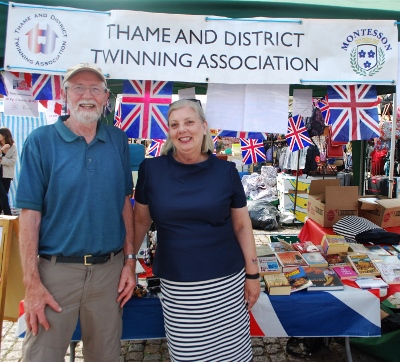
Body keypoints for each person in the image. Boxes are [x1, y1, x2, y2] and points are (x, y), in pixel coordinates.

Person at [16, 63, 135, 362]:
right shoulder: (41, 141)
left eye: (95, 88)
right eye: (78, 87)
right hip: (55, 273)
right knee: (42, 355)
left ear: (106, 97)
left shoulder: (118, 140)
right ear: (64, 94)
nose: (87, 95)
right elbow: (29, 216)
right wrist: (31, 283)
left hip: (109, 272)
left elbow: (124, 204)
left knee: (106, 355)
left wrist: (130, 262)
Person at [133, 98, 260, 362]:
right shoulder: (151, 170)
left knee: (232, 355)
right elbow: (140, 222)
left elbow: (241, 224)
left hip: (226, 283)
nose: (182, 130)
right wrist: (127, 262)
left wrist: (253, 274)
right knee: (188, 353)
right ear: (168, 131)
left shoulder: (226, 171)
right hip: (179, 285)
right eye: (174, 124)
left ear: (204, 127)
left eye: (189, 122)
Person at [0, 127, 17, 215]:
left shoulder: (13, 147)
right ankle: (8, 215)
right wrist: (2, 150)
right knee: (3, 196)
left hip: (7, 175)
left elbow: (13, 161)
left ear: (4, 135)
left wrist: (2, 159)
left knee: (3, 197)